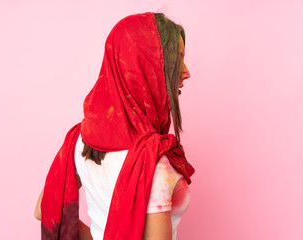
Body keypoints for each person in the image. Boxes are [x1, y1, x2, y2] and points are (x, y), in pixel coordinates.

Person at [35, 12, 195, 240]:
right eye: (177, 60)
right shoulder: (152, 166)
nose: (186, 72)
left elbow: (45, 210)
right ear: (146, 65)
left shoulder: (81, 141)